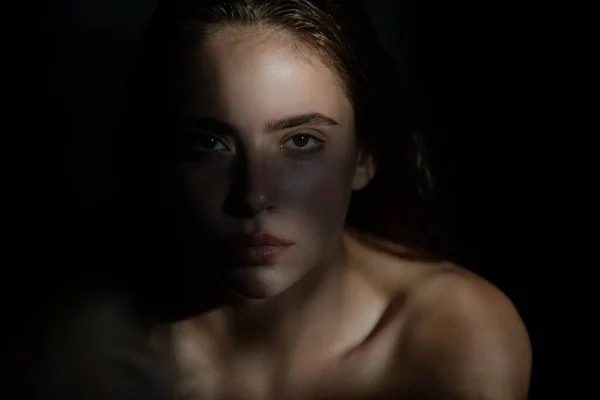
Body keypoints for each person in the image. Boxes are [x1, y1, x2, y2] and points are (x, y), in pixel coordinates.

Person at [67, 0, 531, 399]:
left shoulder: (450, 337)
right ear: (160, 155)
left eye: (302, 141)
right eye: (209, 143)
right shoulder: (89, 353)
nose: (254, 196)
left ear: (365, 157)